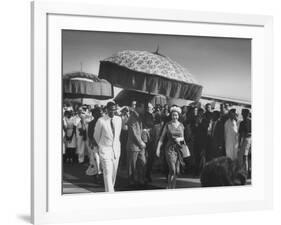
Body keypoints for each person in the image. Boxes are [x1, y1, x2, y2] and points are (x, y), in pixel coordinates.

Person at [94, 102, 122, 192]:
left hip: (116, 150)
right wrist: (102, 146)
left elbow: (118, 135)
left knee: (113, 174)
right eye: (111, 110)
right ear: (107, 110)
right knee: (107, 172)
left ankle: (110, 190)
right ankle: (110, 194)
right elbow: (96, 136)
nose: (113, 112)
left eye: (114, 109)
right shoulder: (101, 121)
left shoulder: (119, 119)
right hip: (105, 150)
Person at [156, 106, 185, 189]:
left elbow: (183, 139)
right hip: (169, 149)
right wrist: (158, 149)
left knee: (176, 171)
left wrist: (179, 140)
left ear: (178, 116)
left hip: (178, 149)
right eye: (173, 115)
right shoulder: (167, 125)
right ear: (171, 116)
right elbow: (162, 138)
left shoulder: (181, 125)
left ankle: (173, 187)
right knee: (172, 169)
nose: (174, 117)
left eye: (176, 115)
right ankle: (169, 186)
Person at [126, 101, 147, 186]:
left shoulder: (139, 117)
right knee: (132, 166)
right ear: (138, 108)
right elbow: (134, 133)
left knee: (142, 163)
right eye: (142, 107)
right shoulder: (132, 117)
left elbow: (140, 131)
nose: (144, 109)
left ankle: (140, 179)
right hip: (133, 146)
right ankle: (131, 181)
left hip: (139, 146)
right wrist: (141, 143)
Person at [87, 107, 103, 179]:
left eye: (99, 113)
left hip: (103, 144)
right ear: (93, 114)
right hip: (95, 145)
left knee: (102, 161)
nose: (99, 114)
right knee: (95, 160)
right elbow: (90, 135)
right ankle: (96, 174)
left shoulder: (103, 122)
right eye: (97, 113)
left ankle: (101, 175)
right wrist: (94, 143)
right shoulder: (91, 123)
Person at [238, 108, 251, 177]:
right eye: (242, 114)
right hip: (244, 141)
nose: (243, 115)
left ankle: (247, 172)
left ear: (248, 114)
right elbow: (240, 134)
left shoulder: (251, 122)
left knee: (246, 157)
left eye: (244, 114)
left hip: (248, 140)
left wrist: (247, 134)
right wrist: (239, 143)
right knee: (244, 157)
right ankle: (245, 172)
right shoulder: (241, 123)